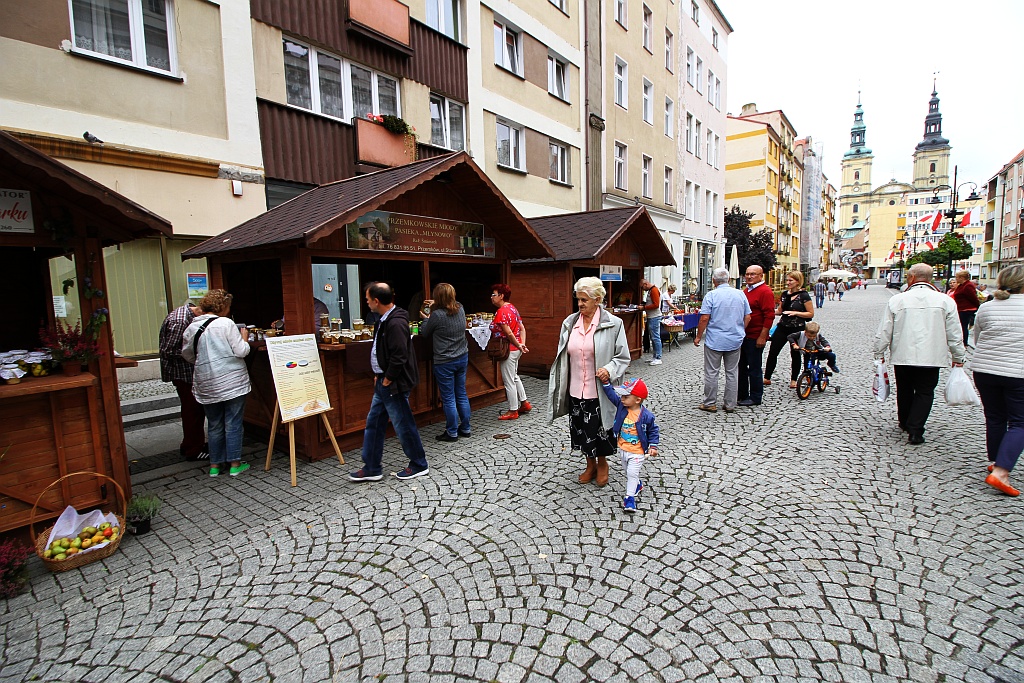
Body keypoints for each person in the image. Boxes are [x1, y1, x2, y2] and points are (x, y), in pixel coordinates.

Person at [548, 277, 631, 487]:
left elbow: (623, 356)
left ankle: (602, 463)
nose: (580, 304)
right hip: (576, 388)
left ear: (598, 299)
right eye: (578, 300)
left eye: (585, 300)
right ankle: (589, 464)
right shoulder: (569, 323)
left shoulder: (613, 324)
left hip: (600, 389)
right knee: (581, 429)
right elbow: (562, 355)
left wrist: (609, 369)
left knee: (601, 430)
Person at [872, 264, 966, 445]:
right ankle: (916, 429)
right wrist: (958, 356)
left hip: (903, 354)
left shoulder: (898, 300)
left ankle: (905, 421)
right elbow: (955, 332)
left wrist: (879, 352)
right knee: (925, 391)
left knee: (905, 388)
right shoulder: (945, 301)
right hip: (932, 355)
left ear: (912, 277)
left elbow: (885, 330)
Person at [349, 282, 429, 481]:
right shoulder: (384, 319)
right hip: (384, 381)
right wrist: (379, 372)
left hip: (394, 384)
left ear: (376, 301)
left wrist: (388, 378)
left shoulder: (394, 322)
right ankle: (372, 467)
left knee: (403, 423)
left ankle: (419, 463)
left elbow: (399, 355)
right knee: (374, 423)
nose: (366, 303)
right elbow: (384, 350)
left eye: (368, 299)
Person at [181, 290, 251, 477]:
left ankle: (215, 465)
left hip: (206, 383)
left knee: (214, 424)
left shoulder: (192, 327)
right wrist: (244, 337)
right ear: (224, 307)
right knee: (233, 423)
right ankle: (235, 464)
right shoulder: (226, 324)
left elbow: (187, 355)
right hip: (232, 382)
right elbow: (241, 351)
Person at [971, 265, 1024, 496]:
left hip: (985, 369)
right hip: (1017, 372)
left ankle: (997, 460)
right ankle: (1001, 471)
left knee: (994, 417)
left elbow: (977, 336)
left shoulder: (988, 307)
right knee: (1020, 422)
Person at [419, 283, 471, 442]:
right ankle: (466, 428)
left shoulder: (437, 315)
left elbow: (424, 333)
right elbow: (451, 306)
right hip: (462, 357)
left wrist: (425, 319)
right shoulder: (460, 308)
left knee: (448, 398)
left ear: (437, 298)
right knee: (461, 393)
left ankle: (452, 432)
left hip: (444, 361)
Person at [694, 268, 751, 413]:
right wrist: (741, 331)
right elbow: (748, 316)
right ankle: (730, 404)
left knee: (712, 372)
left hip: (715, 339)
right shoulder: (740, 294)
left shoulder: (711, 295)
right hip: (735, 339)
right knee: (732, 372)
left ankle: (710, 402)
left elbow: (704, 318)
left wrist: (699, 336)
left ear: (714, 281)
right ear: (729, 279)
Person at [599, 378, 659, 513]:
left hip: (637, 451)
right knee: (627, 471)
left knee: (632, 472)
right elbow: (612, 395)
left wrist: (653, 446)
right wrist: (606, 383)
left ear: (637, 400)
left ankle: (629, 499)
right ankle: (637, 485)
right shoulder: (622, 407)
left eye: (626, 397)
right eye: (622, 396)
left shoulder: (646, 416)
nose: (622, 399)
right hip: (624, 448)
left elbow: (653, 431)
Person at [159, 300, 207, 461]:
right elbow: (168, 350)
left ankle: (190, 444)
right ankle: (193, 450)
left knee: (194, 410)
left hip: (187, 372)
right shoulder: (180, 320)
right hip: (183, 373)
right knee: (192, 410)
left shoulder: (188, 315)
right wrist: (197, 353)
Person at [764, 271, 814, 389]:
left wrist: (795, 313)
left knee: (795, 354)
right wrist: (768, 312)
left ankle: (794, 380)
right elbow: (780, 310)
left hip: (797, 328)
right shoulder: (785, 294)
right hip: (783, 327)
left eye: (790, 280)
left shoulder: (804, 296)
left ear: (797, 281)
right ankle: (767, 377)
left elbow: (810, 313)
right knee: (773, 352)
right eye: (787, 280)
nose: (788, 283)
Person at [490, 283, 530, 420]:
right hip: (516, 349)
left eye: (494, 295)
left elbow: (508, 334)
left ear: (501, 296)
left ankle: (513, 410)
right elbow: (522, 328)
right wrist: (522, 344)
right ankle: (524, 402)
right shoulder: (513, 308)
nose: (491, 297)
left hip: (508, 349)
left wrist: (519, 345)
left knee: (509, 381)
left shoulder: (501, 311)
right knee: (514, 376)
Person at [738, 265, 775, 407]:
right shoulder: (747, 290)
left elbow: (769, 316)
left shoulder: (765, 292)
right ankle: (742, 394)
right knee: (741, 366)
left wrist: (762, 336)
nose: (749, 276)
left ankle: (755, 396)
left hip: (755, 335)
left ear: (761, 276)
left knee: (754, 367)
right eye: (747, 274)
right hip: (744, 335)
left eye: (753, 274)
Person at [949, 270, 979, 346]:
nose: (956, 279)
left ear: (962, 277)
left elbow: (973, 298)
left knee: (963, 326)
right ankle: (962, 341)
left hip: (966, 309)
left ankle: (964, 343)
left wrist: (978, 307)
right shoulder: (961, 285)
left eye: (957, 277)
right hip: (961, 309)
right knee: (961, 326)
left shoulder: (968, 285)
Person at [640, 279, 664, 365]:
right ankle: (655, 356)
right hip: (652, 316)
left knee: (655, 337)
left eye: (642, 287)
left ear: (645, 284)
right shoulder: (652, 290)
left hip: (654, 316)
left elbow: (656, 305)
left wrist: (644, 308)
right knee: (653, 337)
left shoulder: (653, 290)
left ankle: (658, 357)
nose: (643, 289)